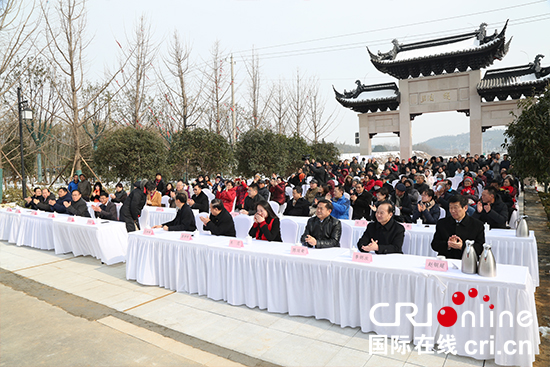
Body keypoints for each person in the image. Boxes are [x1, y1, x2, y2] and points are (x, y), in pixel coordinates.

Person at [431, 195, 485, 259]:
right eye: (450, 208)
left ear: (465, 208)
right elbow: (434, 244)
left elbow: (480, 248)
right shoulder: (442, 223)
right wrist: (448, 244)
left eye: (455, 208)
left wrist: (462, 246)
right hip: (446, 260)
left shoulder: (477, 225)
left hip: (467, 261)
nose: (452, 211)